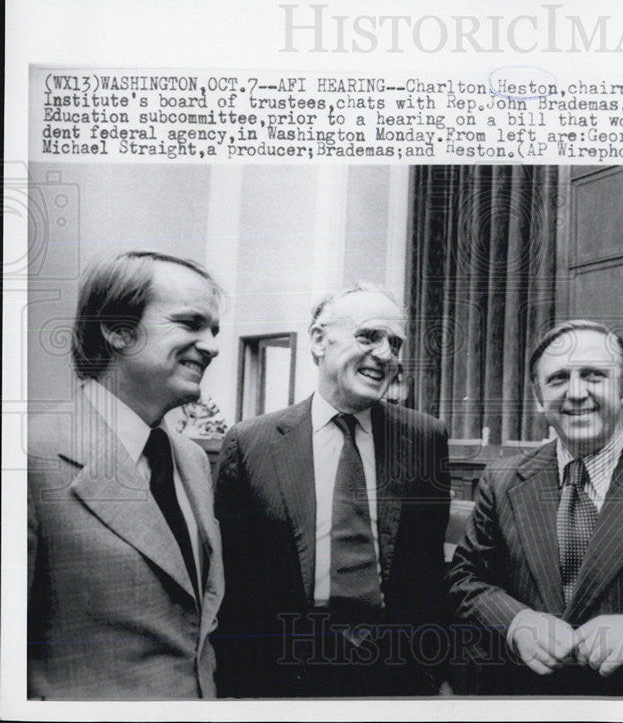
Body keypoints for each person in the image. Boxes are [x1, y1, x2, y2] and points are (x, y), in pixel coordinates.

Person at [448, 320, 623, 695]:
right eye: (558, 379)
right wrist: (516, 622)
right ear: (537, 398)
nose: (576, 392)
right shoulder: (501, 480)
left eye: (594, 375)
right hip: (522, 701)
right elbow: (465, 579)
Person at [213, 282, 451, 697]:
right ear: (319, 340)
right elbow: (234, 583)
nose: (385, 354)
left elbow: (429, 573)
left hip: (394, 674)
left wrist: (438, 677)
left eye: (395, 344)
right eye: (368, 336)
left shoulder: (425, 439)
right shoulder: (251, 443)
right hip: (283, 674)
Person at [27, 251, 224, 699]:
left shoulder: (192, 459)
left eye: (214, 330)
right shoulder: (28, 459)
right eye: (190, 323)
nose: (212, 345)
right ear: (118, 330)